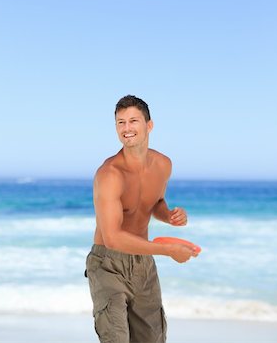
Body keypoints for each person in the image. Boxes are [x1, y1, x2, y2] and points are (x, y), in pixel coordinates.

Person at [85, 95, 198, 343]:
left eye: (133, 121)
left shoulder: (163, 164)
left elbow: (153, 202)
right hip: (108, 264)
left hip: (143, 264)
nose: (126, 129)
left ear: (149, 125)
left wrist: (169, 215)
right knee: (116, 338)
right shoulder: (109, 175)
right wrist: (168, 250)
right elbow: (113, 238)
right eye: (120, 122)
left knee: (152, 339)